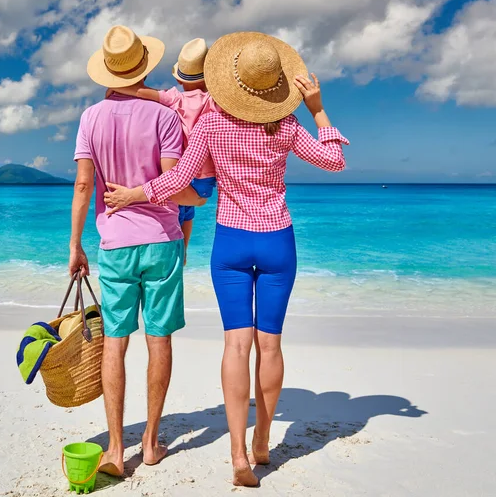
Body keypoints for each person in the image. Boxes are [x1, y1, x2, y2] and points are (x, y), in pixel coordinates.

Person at [102, 32, 349, 487]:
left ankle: (238, 456)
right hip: (277, 239)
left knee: (237, 345)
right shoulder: (289, 126)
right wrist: (317, 109)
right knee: (270, 345)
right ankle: (262, 442)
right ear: (275, 90)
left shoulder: (213, 126)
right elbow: (335, 161)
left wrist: (138, 193)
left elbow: (179, 177)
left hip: (232, 242)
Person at [68, 25, 205, 477]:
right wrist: (199, 200)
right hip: (163, 241)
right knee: (158, 339)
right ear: (142, 68)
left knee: (115, 342)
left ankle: (113, 449)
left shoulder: (90, 118)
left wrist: (75, 244)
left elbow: (85, 184)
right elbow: (173, 186)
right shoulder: (165, 118)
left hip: (115, 245)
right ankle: (149, 442)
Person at [113, 38, 218, 264]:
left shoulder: (175, 98)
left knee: (177, 209)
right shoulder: (215, 101)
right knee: (191, 210)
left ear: (180, 78)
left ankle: (175, 247)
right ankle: (185, 250)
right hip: (207, 177)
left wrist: (115, 87)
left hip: (180, 172)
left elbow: (143, 92)